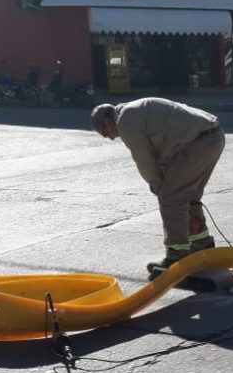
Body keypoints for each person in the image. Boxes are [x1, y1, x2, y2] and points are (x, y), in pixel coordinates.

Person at [91, 98, 226, 276]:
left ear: (107, 122)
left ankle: (177, 256)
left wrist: (157, 185)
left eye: (106, 133)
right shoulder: (137, 109)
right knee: (187, 196)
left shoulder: (125, 120)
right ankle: (202, 246)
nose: (112, 138)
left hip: (197, 144)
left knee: (171, 198)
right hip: (212, 137)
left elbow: (143, 159)